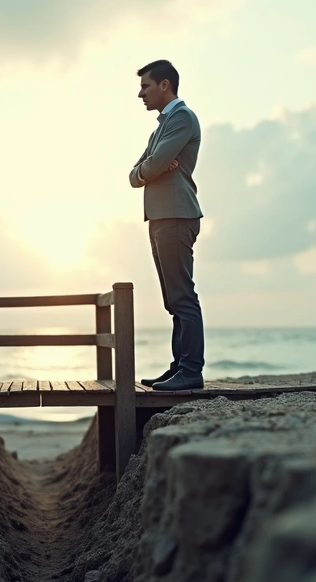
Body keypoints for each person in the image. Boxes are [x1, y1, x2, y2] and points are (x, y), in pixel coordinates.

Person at [128, 60, 205, 391]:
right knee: (172, 299)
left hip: (176, 215)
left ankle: (191, 371)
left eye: (145, 86)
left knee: (182, 296)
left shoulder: (182, 118)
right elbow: (135, 174)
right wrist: (152, 167)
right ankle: (179, 367)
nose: (140, 93)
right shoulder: (161, 126)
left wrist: (153, 165)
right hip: (161, 217)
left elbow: (152, 164)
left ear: (164, 85)